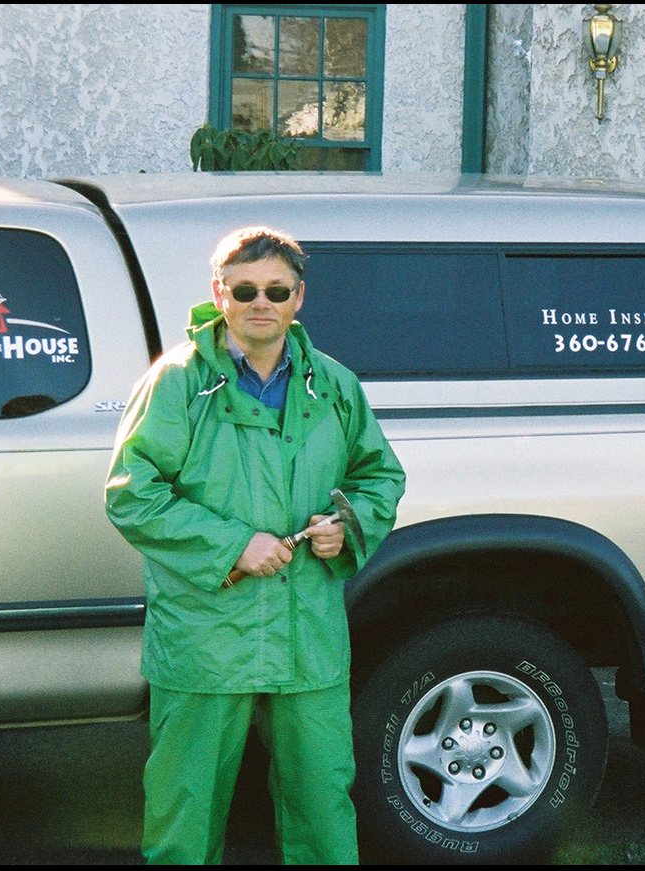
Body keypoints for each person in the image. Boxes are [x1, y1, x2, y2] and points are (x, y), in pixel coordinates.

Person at [105, 226, 405, 864]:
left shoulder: (334, 385)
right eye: (244, 290)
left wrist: (346, 528)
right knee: (186, 807)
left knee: (321, 800)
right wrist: (235, 544)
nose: (259, 302)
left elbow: (378, 477)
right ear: (220, 294)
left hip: (307, 633)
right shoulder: (178, 384)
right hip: (208, 634)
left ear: (299, 297)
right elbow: (131, 494)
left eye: (276, 289)